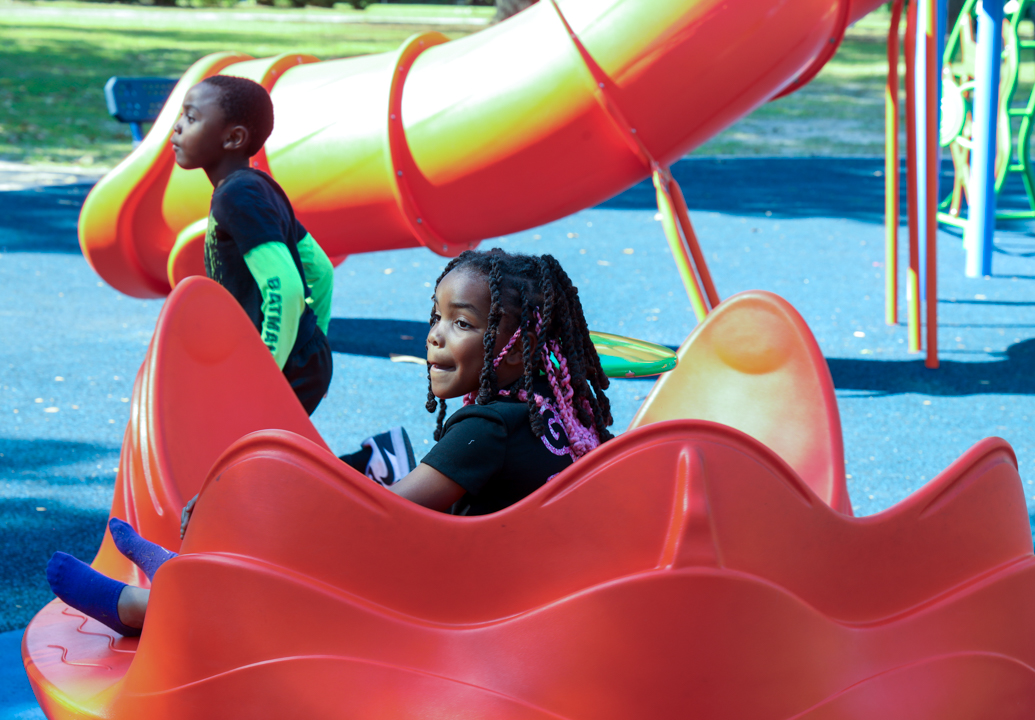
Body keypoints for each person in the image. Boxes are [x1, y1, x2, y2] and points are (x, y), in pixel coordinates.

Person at [46, 248, 614, 636]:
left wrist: (272, 511)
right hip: (525, 587)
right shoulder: (558, 413)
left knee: (316, 558)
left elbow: (382, 515)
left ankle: (149, 606)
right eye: (437, 316)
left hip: (467, 605)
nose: (436, 335)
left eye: (463, 324)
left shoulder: (485, 429)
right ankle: (191, 572)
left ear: (513, 348)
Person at [172, 74, 334, 416]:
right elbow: (320, 270)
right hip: (300, 360)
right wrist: (313, 338)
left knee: (238, 458)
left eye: (191, 117)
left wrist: (264, 370)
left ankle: (371, 461)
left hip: (281, 367)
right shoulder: (258, 187)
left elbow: (284, 287)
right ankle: (377, 457)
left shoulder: (238, 196)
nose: (177, 127)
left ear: (233, 138)